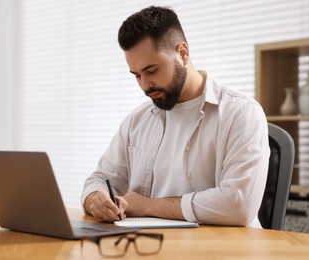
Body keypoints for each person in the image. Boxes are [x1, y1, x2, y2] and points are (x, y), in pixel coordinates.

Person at [81, 6, 270, 228]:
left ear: (182, 53)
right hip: (149, 247)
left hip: (220, 249)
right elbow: (98, 180)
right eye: (137, 75)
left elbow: (239, 205)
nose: (145, 85)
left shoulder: (241, 113)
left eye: (151, 71)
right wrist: (96, 199)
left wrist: (146, 206)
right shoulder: (138, 120)